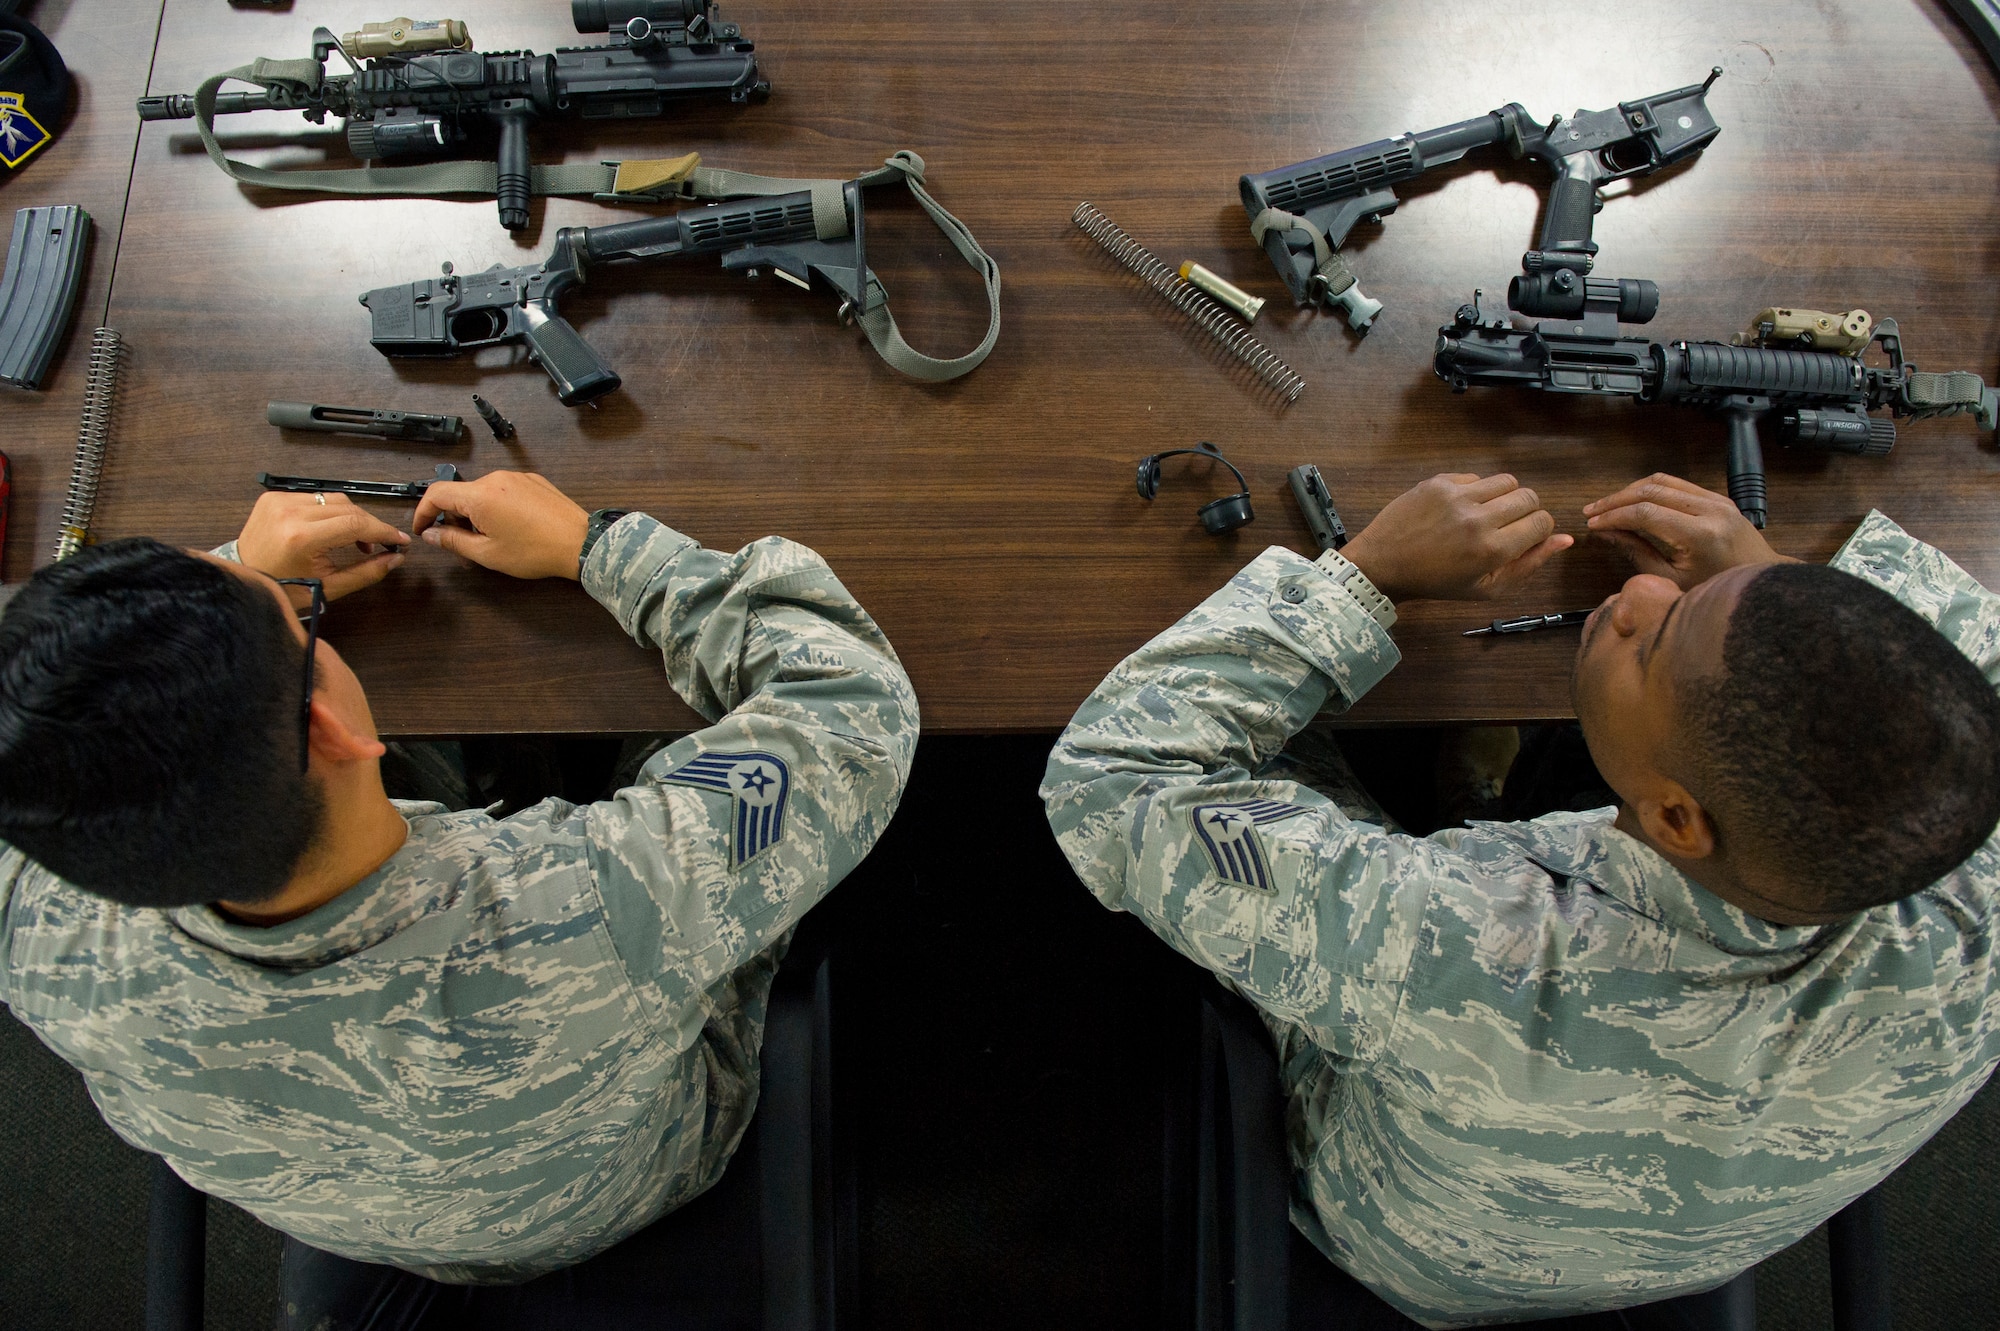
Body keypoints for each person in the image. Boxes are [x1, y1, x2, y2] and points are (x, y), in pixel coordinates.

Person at [1042, 470, 2000, 1328]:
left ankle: (1470, 800)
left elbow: (1112, 777)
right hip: (1666, 1244)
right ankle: (1486, 788)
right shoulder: (1978, 934)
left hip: (1411, 1249)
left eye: (1658, 638)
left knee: (1256, 746)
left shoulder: (1457, 938)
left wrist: (1364, 575)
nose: (1642, 593)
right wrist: (1782, 591)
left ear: (1674, 818)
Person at [0, 472, 917, 1318]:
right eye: (301, 624)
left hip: (371, 1214)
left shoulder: (41, 942)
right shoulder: (600, 902)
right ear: (328, 726)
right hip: (628, 1177)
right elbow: (852, 704)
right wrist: (594, 547)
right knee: (672, 716)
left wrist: (233, 588)